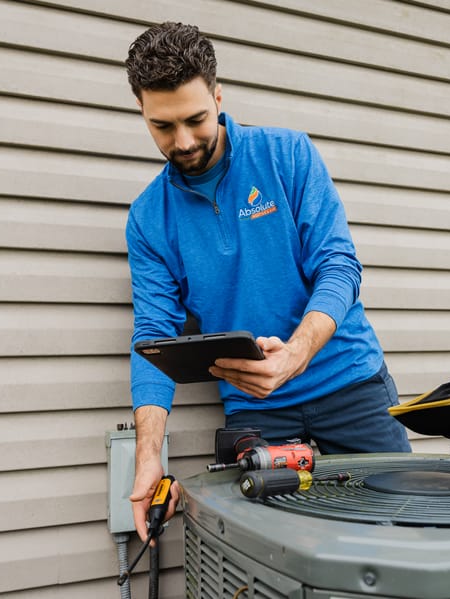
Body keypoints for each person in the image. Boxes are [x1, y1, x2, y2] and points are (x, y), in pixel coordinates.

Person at [123, 21, 411, 542]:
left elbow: (339, 267)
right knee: (266, 550)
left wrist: (295, 356)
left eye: (195, 119)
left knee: (399, 529)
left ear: (217, 96)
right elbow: (153, 339)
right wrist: (148, 457)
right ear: (142, 113)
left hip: (348, 381)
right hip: (255, 405)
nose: (183, 142)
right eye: (163, 127)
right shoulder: (148, 218)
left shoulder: (288, 156)